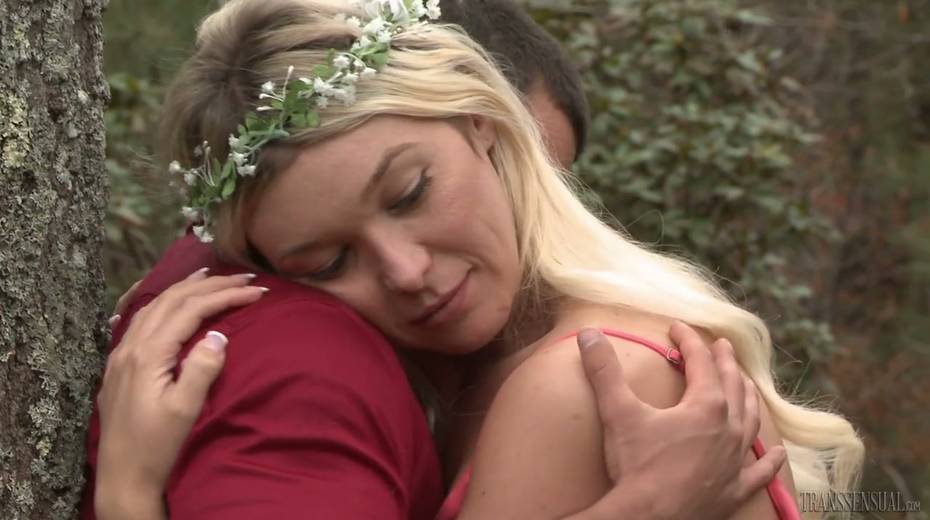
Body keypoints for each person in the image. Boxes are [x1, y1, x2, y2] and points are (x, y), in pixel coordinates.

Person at [90, 0, 864, 518]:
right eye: (326, 262)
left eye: (409, 193)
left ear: (480, 121)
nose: (405, 272)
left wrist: (127, 496)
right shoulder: (487, 376)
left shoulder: (585, 381)